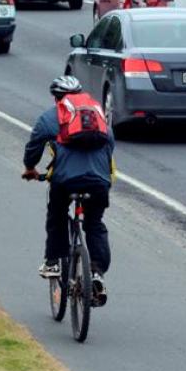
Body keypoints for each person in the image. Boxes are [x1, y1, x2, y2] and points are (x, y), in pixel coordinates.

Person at [22, 76, 115, 306]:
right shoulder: (97, 113)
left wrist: (30, 168)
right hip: (99, 181)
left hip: (66, 181)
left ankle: (53, 261)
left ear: (56, 97)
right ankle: (96, 273)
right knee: (94, 224)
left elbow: (34, 145)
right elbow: (110, 144)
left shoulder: (50, 117)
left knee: (56, 214)